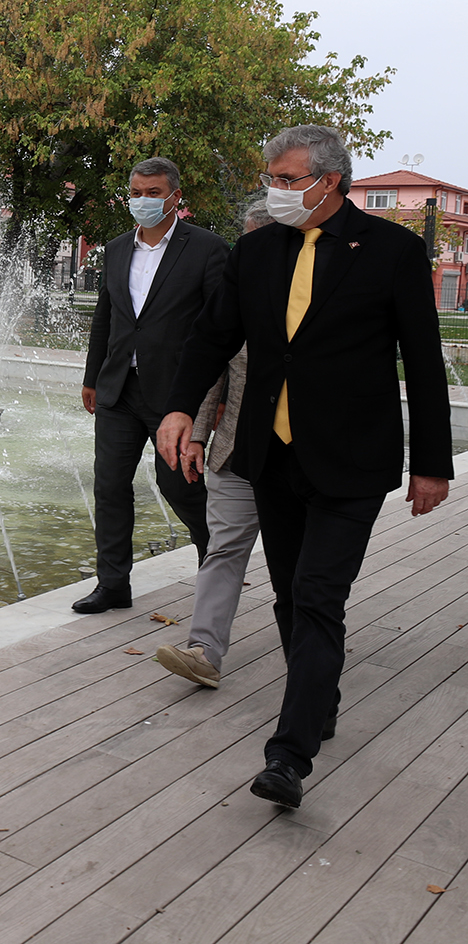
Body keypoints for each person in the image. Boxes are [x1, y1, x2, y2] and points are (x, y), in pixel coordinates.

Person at [158, 125, 452, 809]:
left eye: (288, 180)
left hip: (351, 458)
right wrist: (178, 409)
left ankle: (288, 756)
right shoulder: (257, 251)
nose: (275, 189)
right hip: (273, 453)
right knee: (292, 594)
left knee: (320, 595)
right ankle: (319, 698)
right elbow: (212, 337)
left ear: (331, 182)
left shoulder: (393, 253)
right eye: (272, 178)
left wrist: (432, 463)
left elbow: (426, 364)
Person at [74, 157, 230, 614]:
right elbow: (106, 316)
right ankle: (113, 584)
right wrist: (92, 376)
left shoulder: (206, 249)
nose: (143, 200)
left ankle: (215, 566)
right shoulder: (118, 249)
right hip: (120, 388)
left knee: (180, 486)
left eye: (154, 193)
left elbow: (220, 329)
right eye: (137, 193)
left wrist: (213, 398)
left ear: (175, 197)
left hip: (177, 394)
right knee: (110, 486)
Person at [154, 198, 273, 689]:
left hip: (301, 457)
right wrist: (198, 435)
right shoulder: (235, 297)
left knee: (307, 565)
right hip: (235, 450)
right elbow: (212, 372)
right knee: (224, 549)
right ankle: (204, 650)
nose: (240, 250)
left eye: (249, 240)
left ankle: (312, 654)